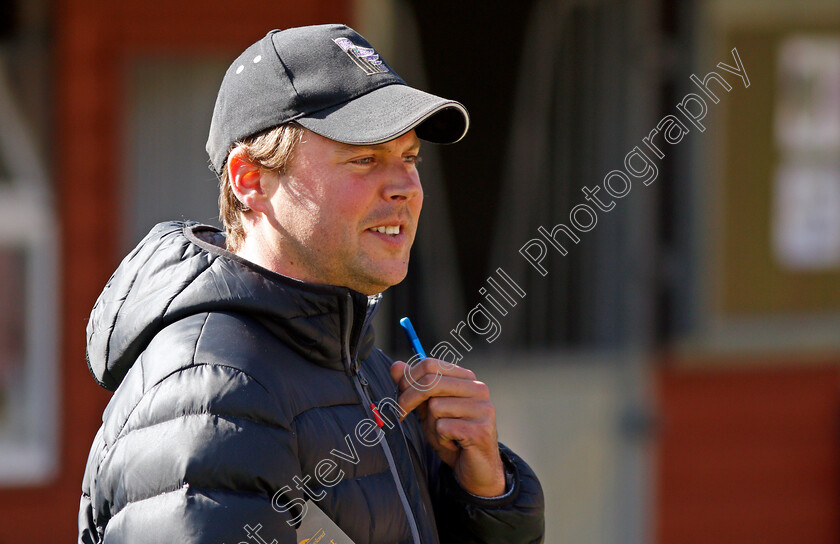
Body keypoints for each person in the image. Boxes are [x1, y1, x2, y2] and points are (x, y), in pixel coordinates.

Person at [79, 24, 544, 544]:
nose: (404, 188)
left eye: (409, 158)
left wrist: (483, 493)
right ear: (250, 179)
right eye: (365, 158)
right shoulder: (212, 392)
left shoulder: (352, 359)